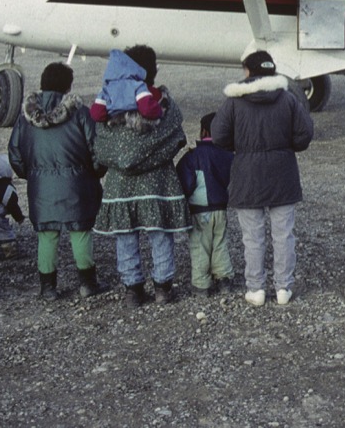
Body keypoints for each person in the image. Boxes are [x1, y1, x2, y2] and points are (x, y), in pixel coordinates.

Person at [212, 50, 314, 307]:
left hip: (248, 175)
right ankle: (283, 288)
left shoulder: (234, 102)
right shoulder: (288, 99)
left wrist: (242, 147)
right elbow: (304, 134)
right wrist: (285, 146)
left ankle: (256, 289)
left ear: (248, 71)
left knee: (253, 237)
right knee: (284, 235)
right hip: (283, 173)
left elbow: (218, 136)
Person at [92, 47, 190, 307]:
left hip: (119, 185)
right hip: (157, 183)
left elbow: (100, 143)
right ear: (152, 70)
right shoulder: (160, 100)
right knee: (160, 234)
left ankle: (132, 291)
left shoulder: (109, 101)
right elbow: (177, 138)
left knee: (125, 236)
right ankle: (162, 289)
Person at [7, 62, 105, 300]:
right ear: (67, 86)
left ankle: (48, 287)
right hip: (78, 185)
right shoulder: (80, 113)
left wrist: (31, 174)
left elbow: (15, 153)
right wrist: (95, 172)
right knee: (80, 231)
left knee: (46, 234)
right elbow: (97, 149)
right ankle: (87, 284)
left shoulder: (26, 117)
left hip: (41, 187)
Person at [176, 112, 235, 297]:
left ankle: (202, 284)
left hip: (199, 209)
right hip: (221, 208)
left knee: (200, 245)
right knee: (220, 242)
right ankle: (224, 279)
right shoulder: (228, 155)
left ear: (203, 131)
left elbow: (185, 183)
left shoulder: (192, 156)